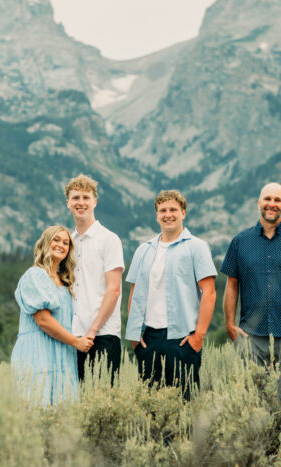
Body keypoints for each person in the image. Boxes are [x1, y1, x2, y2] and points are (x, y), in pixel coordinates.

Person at [221, 182, 281, 450]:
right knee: (251, 400)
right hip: (251, 336)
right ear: (258, 203)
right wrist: (230, 324)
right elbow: (231, 285)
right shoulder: (240, 241)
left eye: (277, 200)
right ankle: (257, 455)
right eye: (267, 199)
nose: (271, 204)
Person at [125, 190, 217, 399]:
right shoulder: (144, 250)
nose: (168, 214)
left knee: (184, 404)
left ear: (183, 213)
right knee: (150, 407)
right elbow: (134, 292)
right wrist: (134, 335)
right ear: (157, 215)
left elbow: (209, 293)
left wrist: (199, 336)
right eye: (163, 210)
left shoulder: (196, 247)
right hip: (148, 338)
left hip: (182, 339)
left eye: (173, 209)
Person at [11, 225, 91, 406]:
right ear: (46, 243)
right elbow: (43, 320)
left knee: (64, 410)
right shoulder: (35, 275)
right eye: (56, 240)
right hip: (38, 350)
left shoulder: (66, 281)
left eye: (66, 242)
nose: (61, 245)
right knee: (38, 404)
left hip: (62, 352)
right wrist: (76, 342)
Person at [65, 174, 124, 385]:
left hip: (103, 335)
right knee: (75, 402)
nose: (81, 203)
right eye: (75, 198)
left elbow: (114, 290)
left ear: (95, 202)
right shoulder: (67, 243)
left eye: (86, 197)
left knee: (103, 405)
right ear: (68, 203)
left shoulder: (109, 239)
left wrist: (92, 331)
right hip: (72, 337)